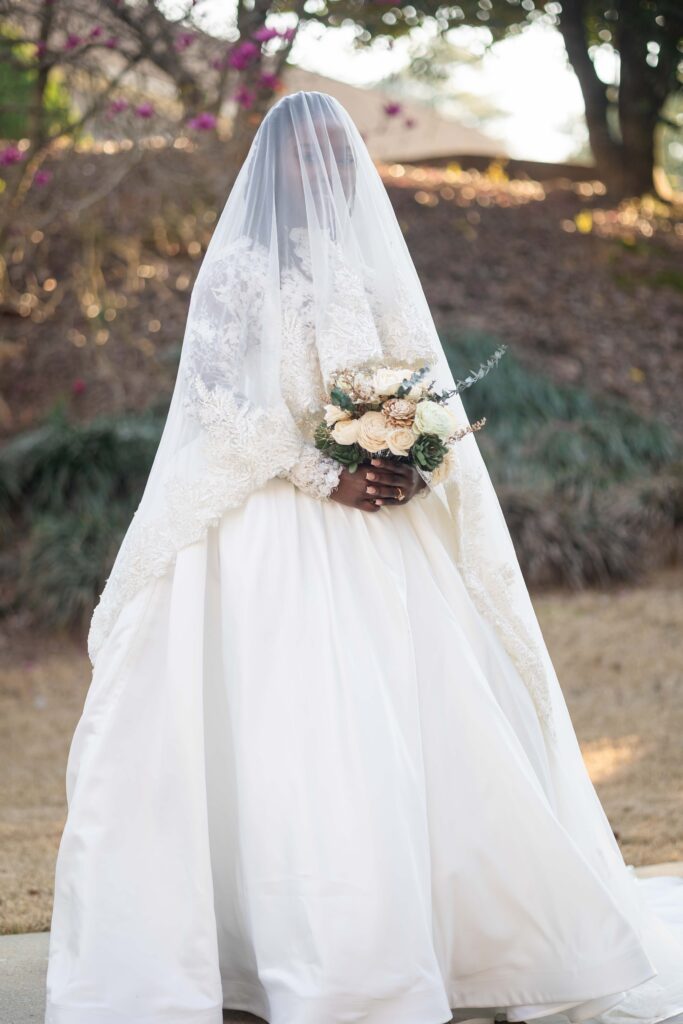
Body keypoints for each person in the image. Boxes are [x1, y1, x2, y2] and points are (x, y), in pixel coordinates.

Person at [45, 91, 683, 1024]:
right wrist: (320, 471)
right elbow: (221, 405)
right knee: (279, 721)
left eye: (334, 157)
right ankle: (269, 953)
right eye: (305, 157)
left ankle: (448, 947)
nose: (324, 171)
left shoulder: (370, 272)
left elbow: (413, 383)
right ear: (275, 167)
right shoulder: (237, 271)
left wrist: (411, 455)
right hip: (268, 519)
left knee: (404, 711)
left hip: (380, 525)